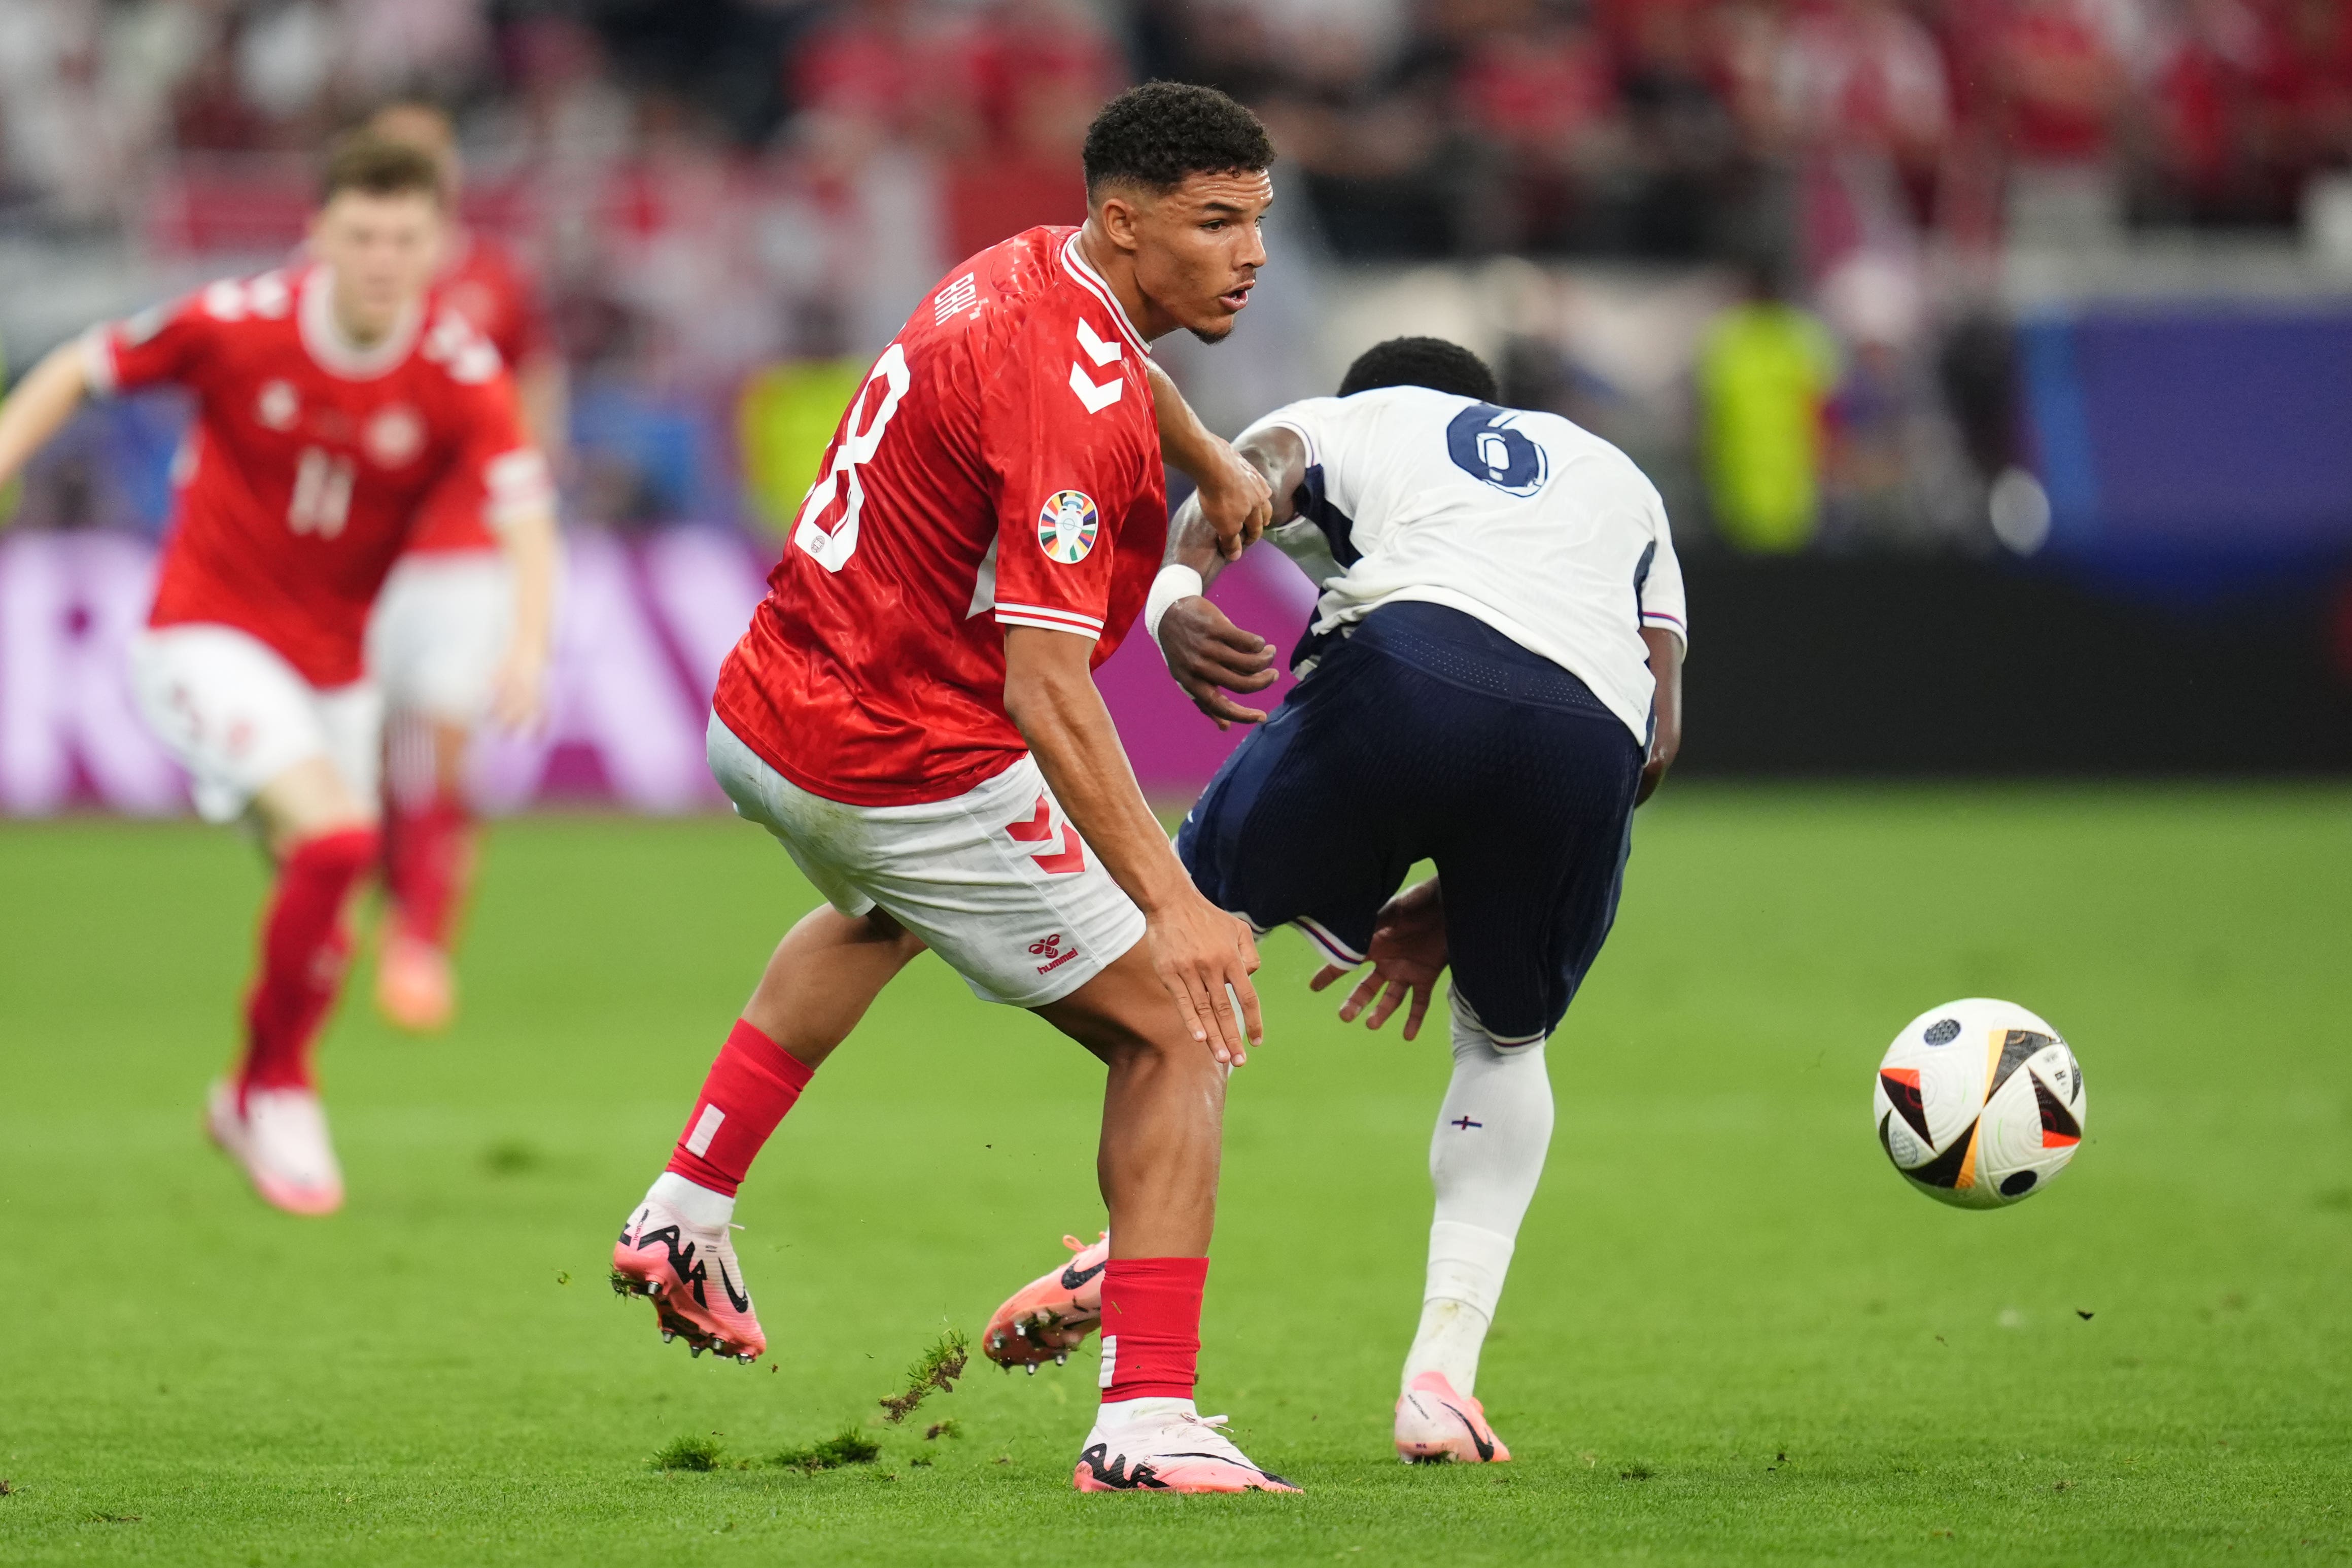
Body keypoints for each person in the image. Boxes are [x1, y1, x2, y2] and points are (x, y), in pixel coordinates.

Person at [606, 83, 1300, 1496]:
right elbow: (1046, 691)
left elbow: (1114, 362)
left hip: (772, 703)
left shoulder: (1023, 265)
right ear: (1125, 221)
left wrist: (1203, 447)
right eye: (1215, 222)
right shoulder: (1068, 401)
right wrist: (1173, 907)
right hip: (901, 752)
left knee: (885, 912)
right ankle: (1146, 1418)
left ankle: (684, 1208)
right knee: (1178, 1025)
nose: (1249, 253)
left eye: (1258, 222)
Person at [979, 336, 1687, 1466]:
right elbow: (1658, 734)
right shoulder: (1622, 481)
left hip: (1401, 670)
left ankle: (1129, 1254)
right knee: (1505, 1047)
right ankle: (1440, 1385)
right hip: (1586, 741)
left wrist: (1174, 594)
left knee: (1178, 943)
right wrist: (1474, 886)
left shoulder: (1367, 416)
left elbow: (1242, 476)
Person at [0, 136, 557, 1215]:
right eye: (361, 235)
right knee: (343, 838)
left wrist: (526, 644)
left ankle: (251, 1091)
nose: (382, 258)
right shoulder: (235, 324)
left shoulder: (456, 372)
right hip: (201, 636)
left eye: (404, 238)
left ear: (438, 246)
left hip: (333, 674)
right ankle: (270, 1088)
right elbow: (80, 362)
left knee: (324, 911)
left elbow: (526, 518)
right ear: (320, 235)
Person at [363, 98, 569, 1033]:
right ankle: (392, 903)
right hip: (365, 558)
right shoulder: (350, 278)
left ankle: (421, 947)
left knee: (439, 750)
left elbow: (537, 376)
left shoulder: (492, 279)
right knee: (369, 766)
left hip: (467, 553)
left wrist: (534, 468)